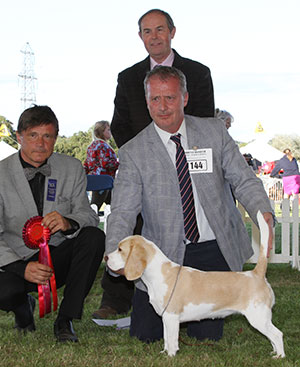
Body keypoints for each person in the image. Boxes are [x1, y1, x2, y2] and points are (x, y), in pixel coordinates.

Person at [104, 66, 274, 343]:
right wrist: (114, 250)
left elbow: (243, 179)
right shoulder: (134, 151)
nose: (162, 107)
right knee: (146, 336)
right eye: (155, 99)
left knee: (206, 337)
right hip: (165, 254)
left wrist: (263, 213)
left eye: (170, 98)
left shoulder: (214, 131)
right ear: (147, 101)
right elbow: (123, 210)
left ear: (184, 97)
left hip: (213, 249)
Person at [94, 7, 215, 319]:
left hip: (189, 163)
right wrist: (144, 158)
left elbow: (204, 121)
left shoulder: (198, 73)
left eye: (160, 29)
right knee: (129, 217)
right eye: (147, 31)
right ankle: (115, 298)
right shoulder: (127, 77)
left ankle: (196, 293)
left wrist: (179, 155)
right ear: (140, 37)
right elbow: (119, 124)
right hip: (144, 165)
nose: (154, 36)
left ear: (172, 32)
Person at [0, 105, 105, 343]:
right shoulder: (0, 173)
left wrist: (69, 222)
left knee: (94, 237)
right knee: (5, 291)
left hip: (57, 257)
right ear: (19, 137)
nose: (40, 143)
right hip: (13, 260)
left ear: (55, 139)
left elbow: (88, 216)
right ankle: (21, 308)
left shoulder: (72, 168)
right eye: (33, 135)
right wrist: (21, 268)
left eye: (47, 136)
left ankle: (65, 320)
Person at [84, 121, 119, 211]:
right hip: (103, 182)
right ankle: (87, 223)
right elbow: (105, 163)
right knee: (94, 207)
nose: (110, 132)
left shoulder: (91, 146)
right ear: (102, 131)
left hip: (96, 180)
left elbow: (86, 164)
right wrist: (119, 163)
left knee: (115, 205)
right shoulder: (102, 146)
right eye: (108, 129)